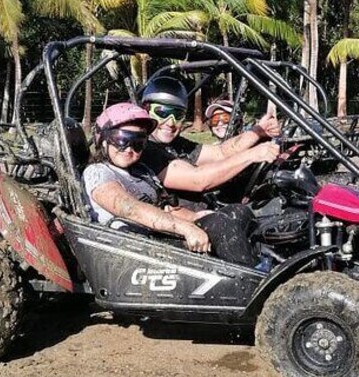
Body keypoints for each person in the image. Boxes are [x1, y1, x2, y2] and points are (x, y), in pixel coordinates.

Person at [83, 102, 259, 267]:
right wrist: (186, 228)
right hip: (131, 250)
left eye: (138, 143)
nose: (129, 149)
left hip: (156, 237)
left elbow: (165, 208)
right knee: (220, 225)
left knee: (236, 212)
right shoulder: (98, 172)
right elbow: (129, 208)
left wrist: (196, 217)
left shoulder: (142, 171)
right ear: (103, 139)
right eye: (122, 140)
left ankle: (254, 266)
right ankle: (255, 285)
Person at [137, 76, 281, 195]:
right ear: (146, 111)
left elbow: (221, 152)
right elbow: (198, 180)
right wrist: (251, 155)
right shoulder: (143, 148)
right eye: (162, 112)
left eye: (178, 115)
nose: (170, 123)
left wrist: (259, 130)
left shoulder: (176, 144)